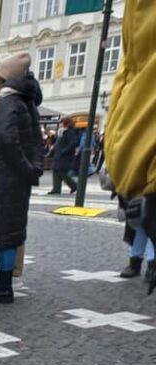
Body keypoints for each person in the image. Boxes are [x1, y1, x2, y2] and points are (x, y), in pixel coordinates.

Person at [0, 53, 43, 303]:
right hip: (11, 177)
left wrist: (23, 168)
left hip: (5, 177)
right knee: (9, 230)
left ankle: (3, 285)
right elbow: (32, 140)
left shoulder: (7, 101)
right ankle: (2, 281)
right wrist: (29, 169)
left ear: (4, 77)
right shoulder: (24, 101)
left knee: (6, 233)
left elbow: (8, 139)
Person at [105, 0, 156, 293]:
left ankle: (144, 262)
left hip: (143, 169)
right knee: (139, 221)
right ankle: (138, 260)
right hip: (140, 174)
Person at [47, 117, 81, 195]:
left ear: (66, 123)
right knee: (56, 170)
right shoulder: (61, 132)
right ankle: (56, 188)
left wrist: (63, 151)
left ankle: (74, 185)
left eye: (61, 122)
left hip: (65, 155)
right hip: (59, 154)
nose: (60, 124)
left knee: (61, 171)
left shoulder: (70, 132)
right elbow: (58, 142)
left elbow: (72, 143)